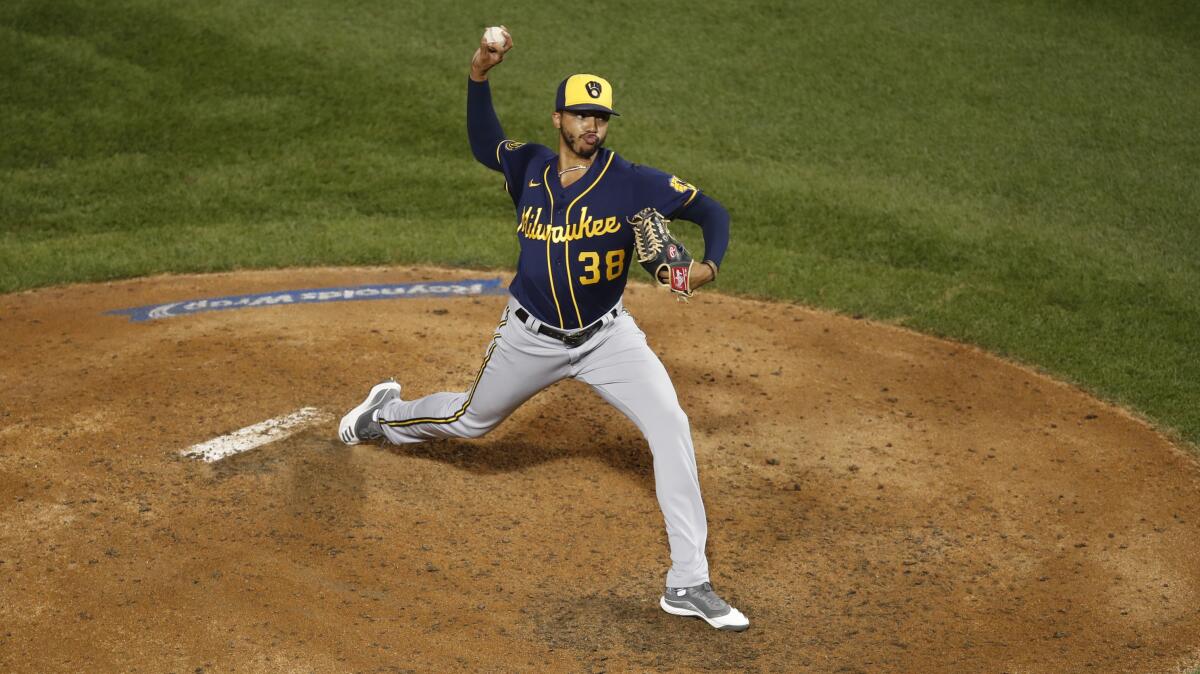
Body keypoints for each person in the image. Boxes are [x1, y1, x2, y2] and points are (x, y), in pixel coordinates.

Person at [338, 27, 748, 631]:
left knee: (672, 428)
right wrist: (479, 73)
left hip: (608, 339)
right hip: (528, 336)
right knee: (469, 420)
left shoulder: (632, 181)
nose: (592, 126)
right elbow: (484, 144)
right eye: (581, 115)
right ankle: (385, 415)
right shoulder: (527, 166)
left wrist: (707, 268)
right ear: (559, 117)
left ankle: (688, 582)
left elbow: (712, 210)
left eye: (601, 117)